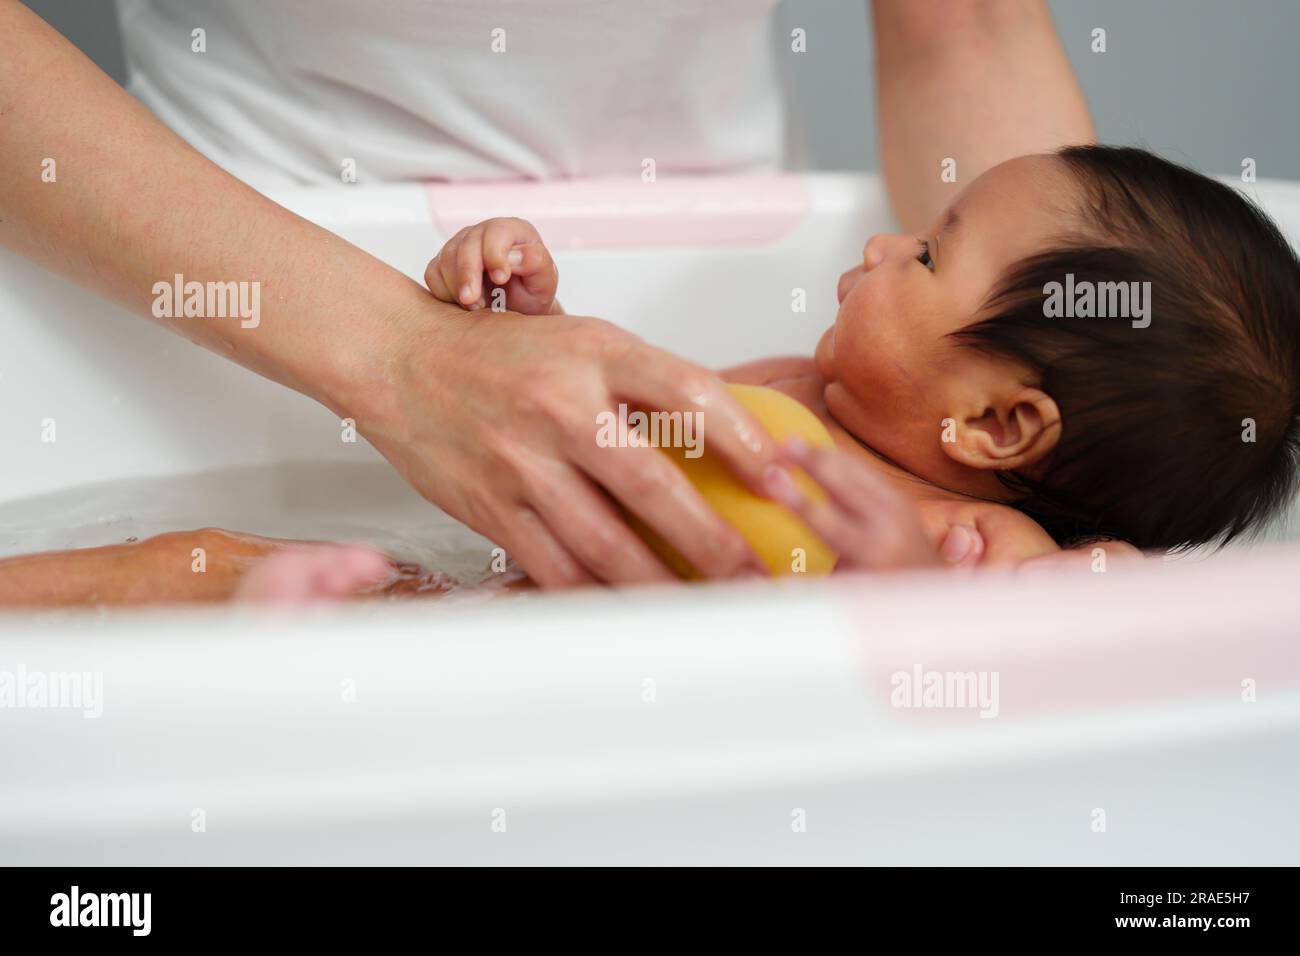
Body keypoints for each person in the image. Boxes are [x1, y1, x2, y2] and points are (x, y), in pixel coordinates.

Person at [0, 0, 1095, 588]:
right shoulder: (800, 384)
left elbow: (969, 22)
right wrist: (467, 335)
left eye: (929, 257)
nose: (884, 238)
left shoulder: (971, 534)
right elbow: (621, 435)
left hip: (516, 609)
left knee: (313, 595)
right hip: (223, 272)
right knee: (221, 577)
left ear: (1005, 423)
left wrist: (1056, 516)